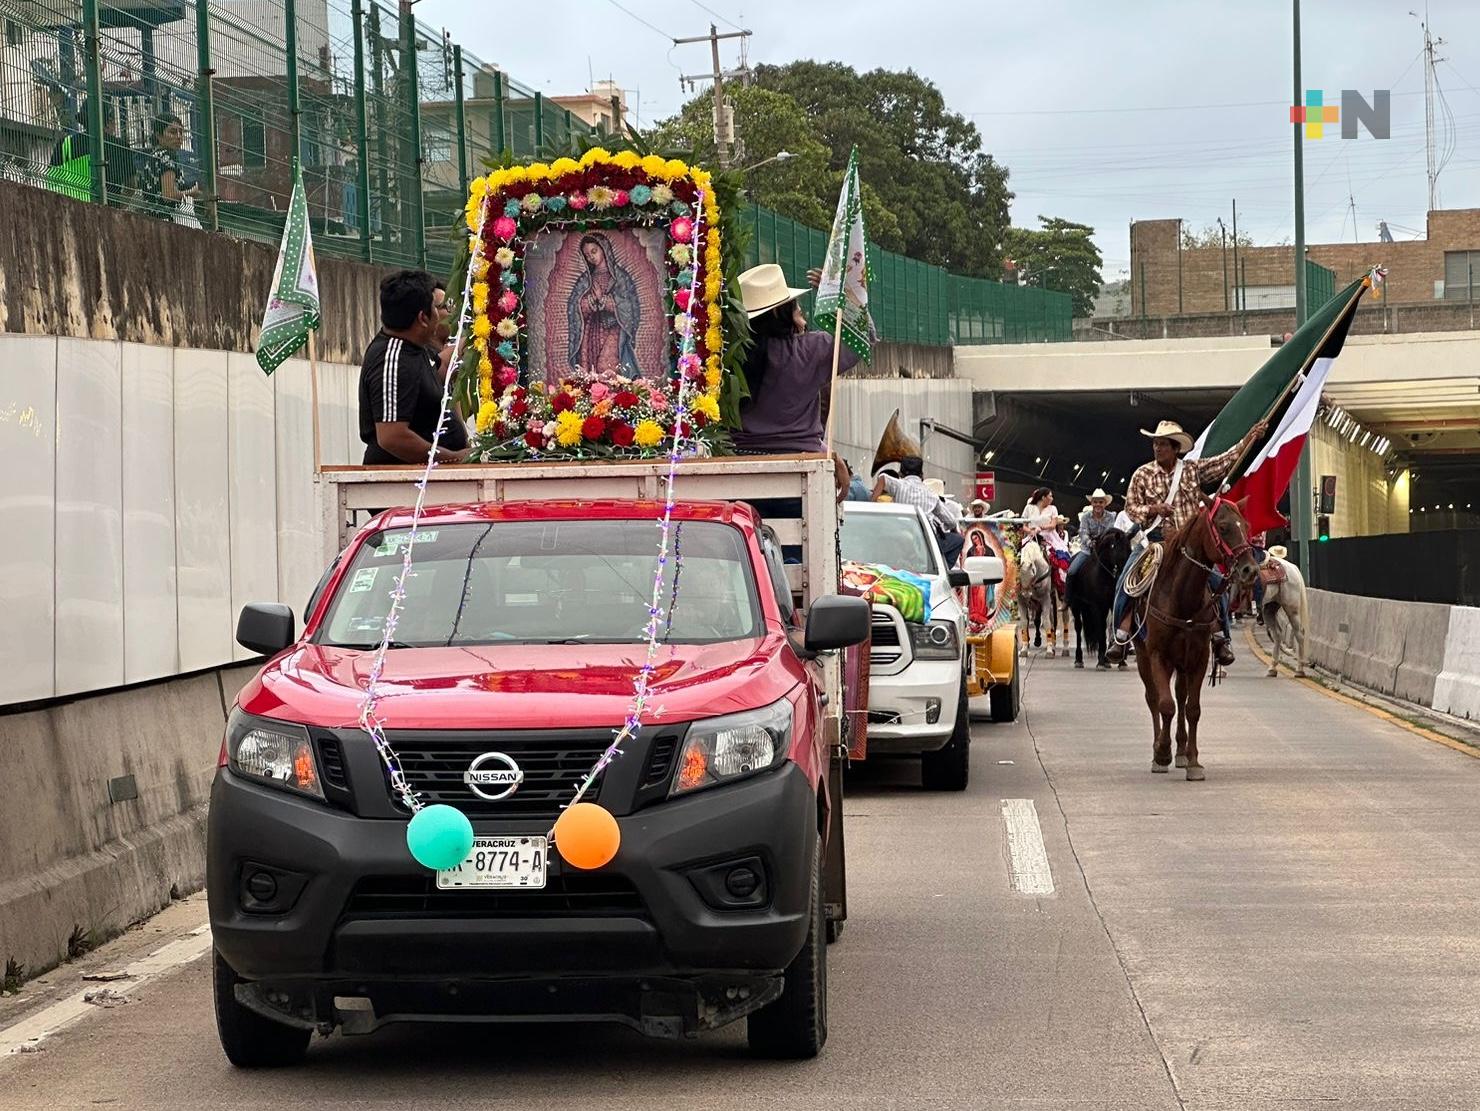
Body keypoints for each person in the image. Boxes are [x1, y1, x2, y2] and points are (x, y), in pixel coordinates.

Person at [1105, 418, 1268, 667]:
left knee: (1217, 583)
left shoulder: (1191, 470)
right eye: (1156, 444)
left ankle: (1221, 637)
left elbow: (1224, 462)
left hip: (1190, 545)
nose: (1157, 449)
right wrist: (1153, 508)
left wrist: (1249, 439)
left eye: (1163, 445)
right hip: (1155, 541)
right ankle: (1120, 635)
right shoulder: (1143, 474)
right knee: (1127, 582)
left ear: (1175, 448)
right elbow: (1131, 508)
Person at [733, 263, 862, 453]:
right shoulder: (812, 349)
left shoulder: (728, 356)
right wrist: (844, 297)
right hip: (803, 455)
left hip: (739, 455)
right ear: (779, 311)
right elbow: (860, 340)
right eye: (795, 307)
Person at [359, 269, 471, 465]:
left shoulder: (413, 347)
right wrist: (453, 457)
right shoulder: (391, 358)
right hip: (403, 484)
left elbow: (442, 370)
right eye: (436, 308)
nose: (441, 315)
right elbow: (392, 437)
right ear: (423, 317)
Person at [871, 455, 965, 567]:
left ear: (900, 474)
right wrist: (953, 530)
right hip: (926, 542)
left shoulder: (898, 485)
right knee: (958, 540)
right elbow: (951, 521)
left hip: (899, 537)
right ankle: (944, 570)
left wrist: (870, 505)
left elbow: (882, 478)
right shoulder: (932, 494)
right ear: (922, 475)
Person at [567, 232, 640, 375]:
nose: (591, 257)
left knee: (606, 367)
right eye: (587, 255)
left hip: (613, 328)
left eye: (594, 251)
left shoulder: (620, 277)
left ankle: (615, 397)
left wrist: (604, 300)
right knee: (591, 369)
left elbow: (630, 307)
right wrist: (590, 301)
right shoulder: (585, 280)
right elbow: (574, 306)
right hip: (590, 331)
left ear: (604, 249)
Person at [137, 114, 201, 224]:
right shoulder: (167, 156)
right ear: (158, 135)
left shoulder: (152, 157)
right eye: (173, 132)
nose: (179, 136)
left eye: (181, 132)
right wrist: (191, 193)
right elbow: (168, 195)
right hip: (167, 221)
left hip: (152, 219)